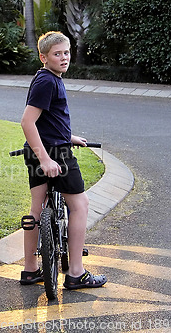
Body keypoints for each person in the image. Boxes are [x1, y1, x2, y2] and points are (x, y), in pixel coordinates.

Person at [19, 31, 107, 289]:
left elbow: (46, 120)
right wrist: (46, 159)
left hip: (44, 148)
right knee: (80, 204)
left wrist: (68, 136)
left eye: (66, 52)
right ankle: (76, 273)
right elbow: (27, 122)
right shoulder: (48, 81)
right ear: (43, 57)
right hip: (52, 154)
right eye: (57, 54)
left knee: (36, 209)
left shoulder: (45, 78)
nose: (63, 58)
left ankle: (30, 270)